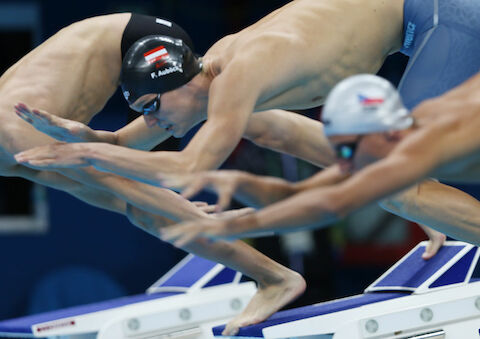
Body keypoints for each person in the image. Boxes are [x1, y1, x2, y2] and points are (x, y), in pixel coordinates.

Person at [155, 13, 480, 338]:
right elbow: (300, 150)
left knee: (399, 188)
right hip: (451, 18)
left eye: (150, 108)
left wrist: (240, 223)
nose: (155, 124)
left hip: (447, 22)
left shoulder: (235, 75)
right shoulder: (229, 77)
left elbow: (332, 194)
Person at [0, 13, 309, 335]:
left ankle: (346, 161)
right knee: (144, 212)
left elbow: (112, 179)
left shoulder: (15, 133)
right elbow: (101, 193)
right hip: (127, 57)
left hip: (134, 42)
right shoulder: (10, 161)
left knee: (246, 120)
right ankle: (275, 277)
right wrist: (170, 209)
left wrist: (186, 212)